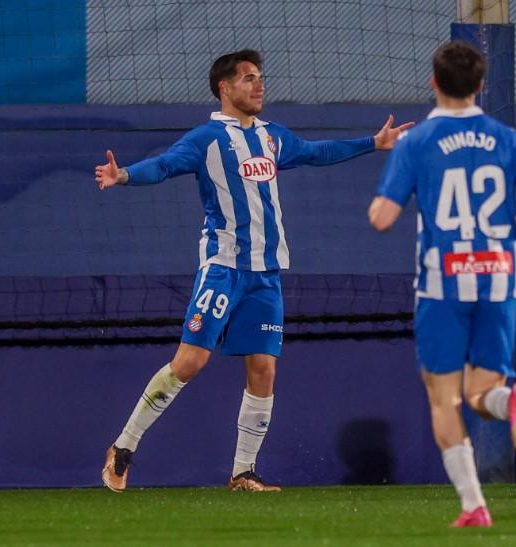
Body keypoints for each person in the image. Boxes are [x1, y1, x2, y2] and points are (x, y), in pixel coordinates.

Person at [94, 49, 413, 492]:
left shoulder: (272, 137)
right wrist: (124, 174)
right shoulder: (206, 139)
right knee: (189, 362)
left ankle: (243, 472)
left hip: (266, 275)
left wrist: (372, 144)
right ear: (225, 88)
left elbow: (316, 152)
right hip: (223, 268)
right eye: (248, 78)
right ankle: (124, 447)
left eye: (260, 77)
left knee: (263, 368)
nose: (259, 85)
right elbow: (164, 166)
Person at [367, 40, 516, 527]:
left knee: (445, 398)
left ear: (433, 82)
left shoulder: (418, 142)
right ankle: (512, 399)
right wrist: (505, 230)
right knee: (482, 393)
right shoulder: (506, 138)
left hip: (444, 282)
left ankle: (474, 505)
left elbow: (383, 218)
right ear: (480, 85)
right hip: (499, 278)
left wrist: (380, 202)